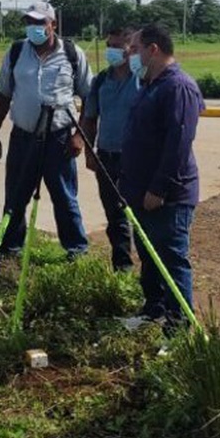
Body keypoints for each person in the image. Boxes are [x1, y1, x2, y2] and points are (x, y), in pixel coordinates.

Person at [0, 2, 92, 258]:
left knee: (65, 199)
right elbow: (3, 94)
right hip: (22, 138)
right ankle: (10, 250)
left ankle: (76, 252)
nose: (33, 28)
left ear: (52, 25)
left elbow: (90, 97)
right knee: (15, 198)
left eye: (39, 23)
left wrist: (81, 136)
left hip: (59, 140)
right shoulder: (15, 52)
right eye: (29, 23)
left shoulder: (71, 53)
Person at [119, 23, 205, 330]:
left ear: (152, 49)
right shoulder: (151, 84)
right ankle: (154, 310)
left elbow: (178, 145)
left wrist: (159, 188)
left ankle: (179, 327)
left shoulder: (178, 86)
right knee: (150, 257)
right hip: (141, 193)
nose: (130, 54)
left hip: (167, 197)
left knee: (171, 259)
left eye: (135, 48)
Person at [79, 28, 139, 271]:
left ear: (130, 49)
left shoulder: (141, 79)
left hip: (135, 159)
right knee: (115, 217)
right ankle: (122, 267)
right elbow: (90, 119)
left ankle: (151, 272)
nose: (112, 51)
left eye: (118, 46)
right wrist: (89, 151)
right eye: (109, 45)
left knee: (139, 215)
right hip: (106, 158)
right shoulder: (101, 81)